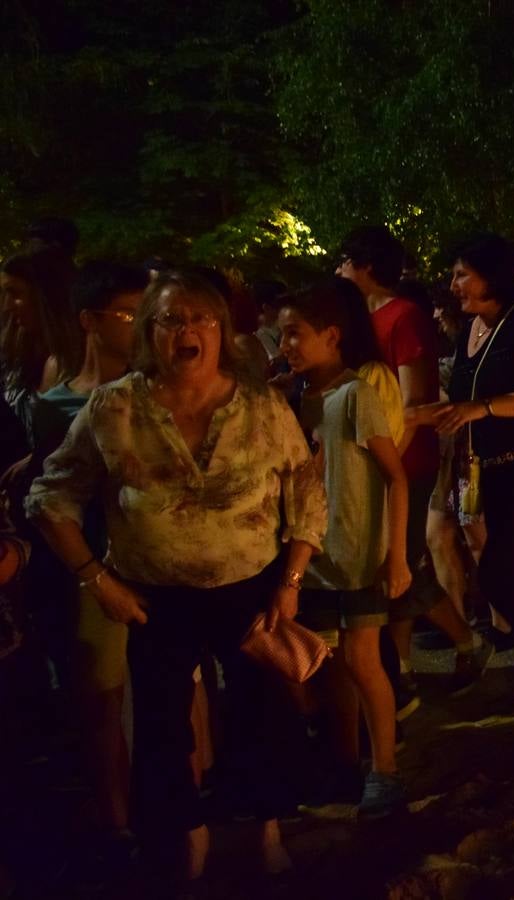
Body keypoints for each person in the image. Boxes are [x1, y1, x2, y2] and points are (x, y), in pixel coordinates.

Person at [26, 270, 326, 882]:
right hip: (153, 597)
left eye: (202, 319)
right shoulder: (115, 407)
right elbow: (49, 496)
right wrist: (94, 578)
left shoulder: (261, 404)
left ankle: (262, 834)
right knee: (163, 731)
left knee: (257, 718)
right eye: (170, 320)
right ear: (150, 334)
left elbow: (305, 488)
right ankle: (186, 847)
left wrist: (291, 582)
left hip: (251, 589)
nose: (187, 330)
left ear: (221, 331)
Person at [412, 236, 514, 703]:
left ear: (493, 276)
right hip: (487, 471)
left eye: (462, 274)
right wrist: (414, 416)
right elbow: (463, 404)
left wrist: (484, 408)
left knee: (500, 571)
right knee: (505, 569)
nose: (453, 284)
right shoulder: (471, 330)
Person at [24, 262, 146, 857]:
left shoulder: (156, 390)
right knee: (100, 695)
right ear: (89, 321)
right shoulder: (54, 404)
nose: (141, 326)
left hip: (152, 562)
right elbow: (51, 494)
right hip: (87, 564)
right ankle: (115, 818)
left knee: (175, 687)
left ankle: (183, 803)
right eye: (129, 315)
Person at [278, 279, 412, 816]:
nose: (286, 343)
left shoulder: (355, 394)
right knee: (319, 666)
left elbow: (396, 477)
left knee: (362, 660)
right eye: (283, 333)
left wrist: (396, 555)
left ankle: (385, 770)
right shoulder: (294, 396)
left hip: (355, 552)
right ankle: (343, 762)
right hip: (307, 557)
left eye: (296, 334)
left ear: (332, 336)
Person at [336, 226, 440, 716]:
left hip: (404, 460)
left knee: (399, 561)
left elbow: (415, 402)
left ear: (368, 268)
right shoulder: (362, 320)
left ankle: (401, 673)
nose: (339, 271)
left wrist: (389, 460)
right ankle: (404, 669)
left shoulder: (405, 317)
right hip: (377, 462)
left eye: (345, 263)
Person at [1, 246, 81, 450]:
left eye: (16, 293)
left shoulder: (77, 364)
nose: (7, 306)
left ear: (46, 297)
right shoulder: (12, 354)